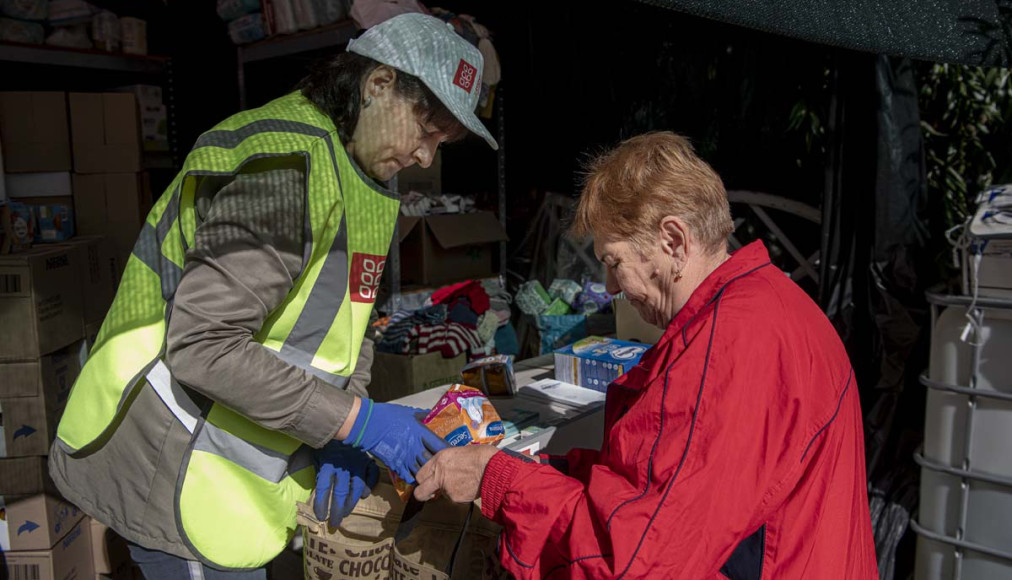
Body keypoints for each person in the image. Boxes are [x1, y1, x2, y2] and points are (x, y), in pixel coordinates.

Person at [49, 13, 497, 578]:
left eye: (442, 144)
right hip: (171, 467)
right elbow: (203, 346)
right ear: (378, 85)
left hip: (240, 469)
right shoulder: (284, 169)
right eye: (425, 129)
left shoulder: (365, 183)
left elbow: (350, 326)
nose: (427, 158)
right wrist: (355, 422)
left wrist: (344, 424)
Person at [414, 132, 879, 579]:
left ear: (673, 242)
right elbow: (653, 484)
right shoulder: (766, 303)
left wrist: (497, 479)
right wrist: (539, 472)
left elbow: (631, 562)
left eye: (614, 262)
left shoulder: (729, 345)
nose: (611, 286)